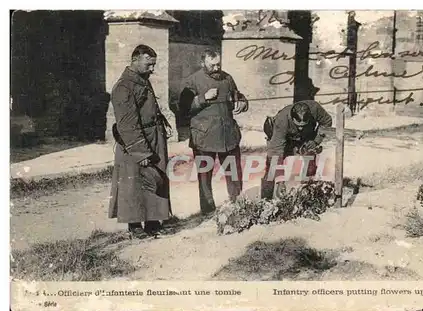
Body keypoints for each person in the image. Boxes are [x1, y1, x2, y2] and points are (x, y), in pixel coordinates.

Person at [108, 44, 174, 239]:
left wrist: (163, 122)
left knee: (156, 179)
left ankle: (153, 222)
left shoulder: (142, 80)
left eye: (154, 64)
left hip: (154, 138)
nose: (152, 69)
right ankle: (135, 226)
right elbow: (127, 124)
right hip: (135, 143)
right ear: (135, 60)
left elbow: (150, 107)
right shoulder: (123, 87)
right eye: (148, 64)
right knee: (134, 183)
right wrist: (141, 152)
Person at [179, 49, 248, 215]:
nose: (217, 68)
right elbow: (182, 108)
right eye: (212, 65)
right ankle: (208, 211)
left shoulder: (227, 78)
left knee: (233, 172)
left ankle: (237, 204)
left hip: (227, 135)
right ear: (203, 63)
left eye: (219, 64)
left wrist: (243, 102)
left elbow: (237, 96)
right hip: (204, 137)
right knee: (205, 176)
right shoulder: (192, 81)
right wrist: (203, 98)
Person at [261, 100, 333, 200]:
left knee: (310, 162)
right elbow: (276, 152)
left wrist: (316, 141)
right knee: (271, 168)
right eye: (298, 126)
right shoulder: (282, 121)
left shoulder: (315, 109)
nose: (300, 128)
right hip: (283, 138)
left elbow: (327, 121)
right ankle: (265, 200)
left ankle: (307, 192)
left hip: (306, 137)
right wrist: (280, 181)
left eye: (303, 125)